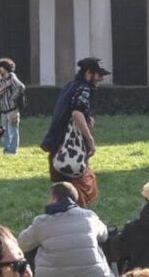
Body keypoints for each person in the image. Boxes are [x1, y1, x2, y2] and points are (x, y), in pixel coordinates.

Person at [16, 181, 116, 277]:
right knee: (97, 239)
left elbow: (21, 244)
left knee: (32, 244)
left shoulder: (42, 222)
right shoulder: (89, 216)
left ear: (54, 198)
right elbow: (105, 235)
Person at [44, 55, 106, 208]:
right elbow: (76, 113)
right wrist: (90, 140)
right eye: (99, 74)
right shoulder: (84, 88)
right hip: (68, 150)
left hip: (58, 146)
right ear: (89, 73)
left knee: (64, 192)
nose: (101, 79)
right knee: (85, 189)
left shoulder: (71, 85)